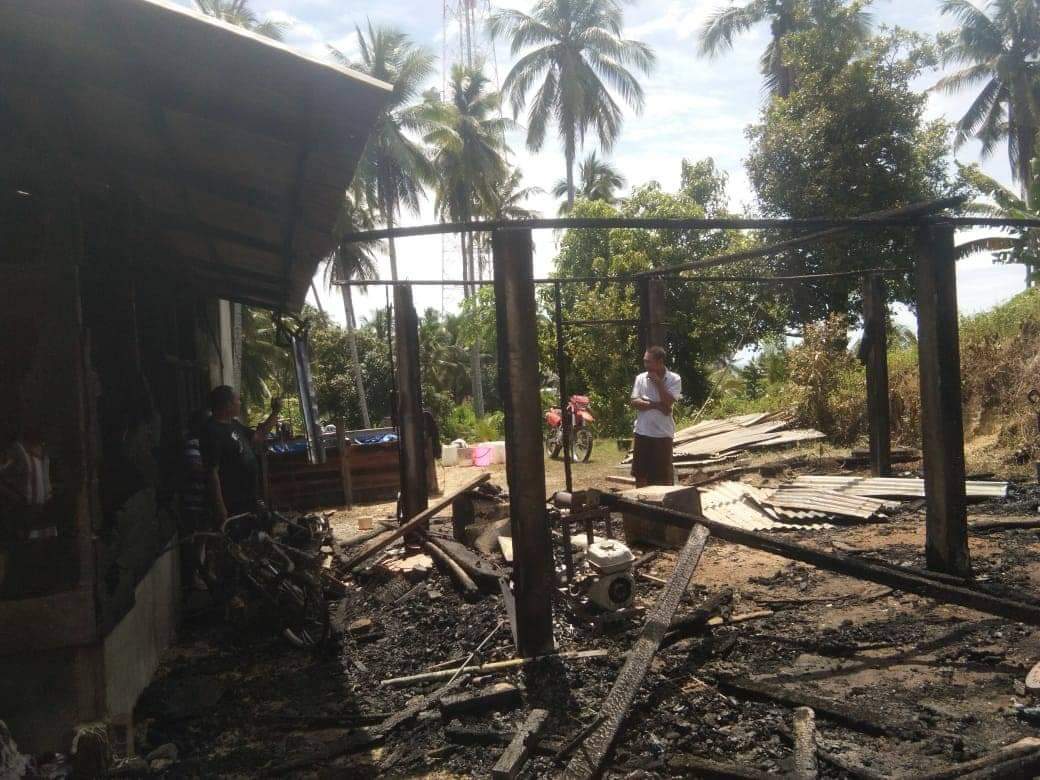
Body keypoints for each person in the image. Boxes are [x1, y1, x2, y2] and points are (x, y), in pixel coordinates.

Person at [201, 386, 281, 525]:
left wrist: (275, 412)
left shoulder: (234, 424)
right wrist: (220, 507)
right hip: (232, 503)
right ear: (227, 404)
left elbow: (258, 437)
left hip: (248, 499)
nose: (240, 403)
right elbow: (212, 472)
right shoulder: (211, 431)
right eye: (237, 400)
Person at [629, 346, 682, 488]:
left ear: (660, 361)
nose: (646, 365)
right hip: (642, 432)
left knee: (663, 476)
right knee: (640, 474)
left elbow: (668, 402)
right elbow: (634, 401)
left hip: (663, 434)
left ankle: (663, 501)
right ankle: (640, 499)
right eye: (645, 361)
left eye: (649, 362)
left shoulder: (674, 379)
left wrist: (658, 383)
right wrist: (657, 405)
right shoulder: (640, 378)